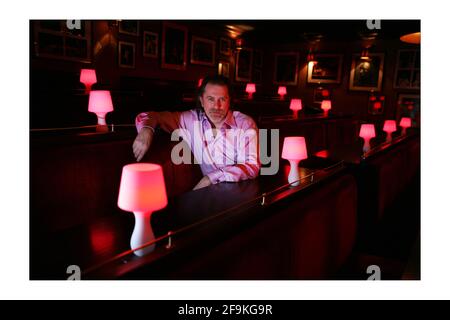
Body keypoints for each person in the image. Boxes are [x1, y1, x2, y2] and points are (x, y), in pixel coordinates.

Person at [132, 75, 260, 190]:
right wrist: (147, 130)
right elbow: (151, 116)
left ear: (229, 101)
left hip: (241, 190)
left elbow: (251, 166)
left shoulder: (245, 124)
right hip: (209, 194)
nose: (217, 106)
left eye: (222, 99)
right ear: (201, 100)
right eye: (210, 99)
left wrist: (211, 178)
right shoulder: (190, 120)